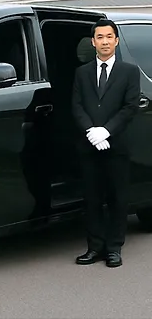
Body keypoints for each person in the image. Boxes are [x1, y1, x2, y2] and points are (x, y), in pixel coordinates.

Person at [71, 18, 140, 268]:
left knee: (117, 199)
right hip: (89, 146)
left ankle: (113, 249)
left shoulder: (129, 72)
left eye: (109, 37)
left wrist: (106, 131)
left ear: (116, 40)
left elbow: (130, 106)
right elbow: (77, 105)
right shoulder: (82, 72)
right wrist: (91, 131)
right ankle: (95, 247)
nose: (105, 42)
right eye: (100, 37)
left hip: (116, 145)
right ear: (93, 42)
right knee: (91, 199)